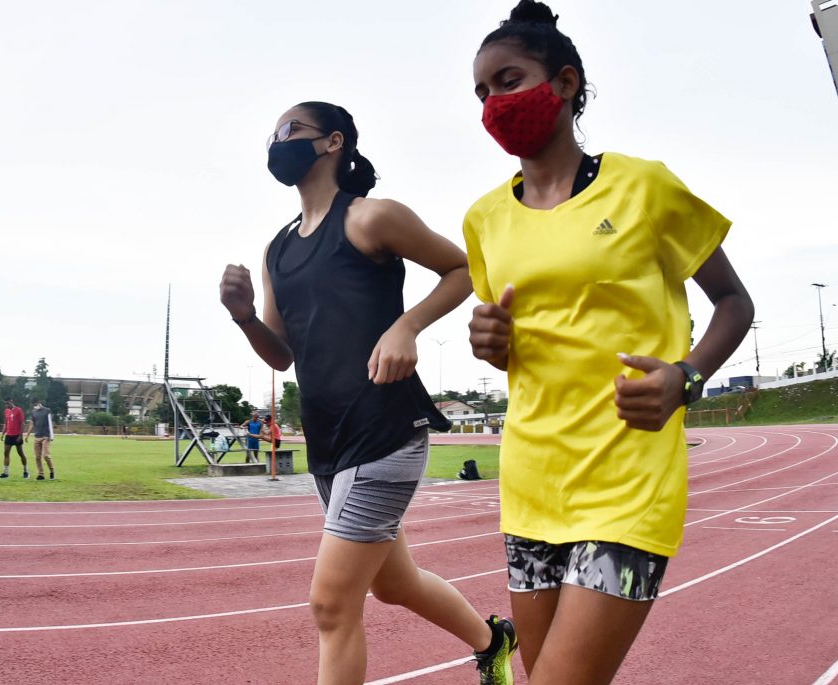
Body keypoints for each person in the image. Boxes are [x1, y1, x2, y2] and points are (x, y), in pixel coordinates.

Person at [463, 3, 755, 683]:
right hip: (532, 479)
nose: (494, 103)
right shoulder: (483, 219)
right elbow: (514, 344)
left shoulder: (644, 186)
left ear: (565, 83)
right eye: (480, 92)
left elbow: (735, 303)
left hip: (627, 482)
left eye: (508, 80)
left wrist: (687, 376)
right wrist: (487, 341)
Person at [220, 101, 515, 685]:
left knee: (331, 605)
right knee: (393, 583)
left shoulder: (370, 218)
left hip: (385, 431)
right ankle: (494, 641)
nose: (278, 142)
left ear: (333, 142)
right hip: (328, 443)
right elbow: (282, 353)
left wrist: (406, 326)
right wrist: (244, 316)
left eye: (290, 131)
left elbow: (462, 270)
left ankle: (493, 643)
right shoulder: (277, 249)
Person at [23, 397, 55, 481]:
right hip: (37, 437)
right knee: (37, 457)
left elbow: (50, 423)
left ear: (39, 402)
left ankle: (52, 471)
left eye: (35, 404)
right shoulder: (33, 412)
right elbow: (32, 423)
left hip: (46, 436)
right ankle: (41, 474)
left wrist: (51, 436)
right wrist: (27, 435)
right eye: (33, 404)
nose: (34, 406)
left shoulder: (47, 410)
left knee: (46, 456)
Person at [0, 397, 29, 479]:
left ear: (11, 401)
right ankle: (5, 473)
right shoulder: (6, 411)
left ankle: (26, 471)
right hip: (9, 435)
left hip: (17, 435)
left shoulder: (19, 410)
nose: (6, 405)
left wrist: (20, 436)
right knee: (6, 453)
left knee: (20, 453)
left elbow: (22, 424)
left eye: (7, 403)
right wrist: (3, 433)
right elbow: (6, 423)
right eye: (5, 404)